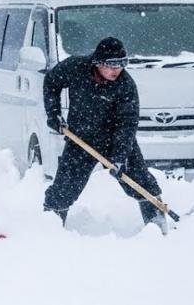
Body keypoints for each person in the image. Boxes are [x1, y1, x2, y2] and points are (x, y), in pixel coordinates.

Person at [42, 37, 167, 231]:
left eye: (121, 64)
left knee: (140, 182)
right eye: (111, 65)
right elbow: (51, 81)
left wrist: (119, 157)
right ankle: (48, 229)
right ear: (98, 63)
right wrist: (54, 114)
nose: (116, 70)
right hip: (80, 139)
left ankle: (158, 227)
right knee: (63, 189)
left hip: (115, 140)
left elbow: (127, 125)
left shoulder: (125, 85)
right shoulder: (76, 67)